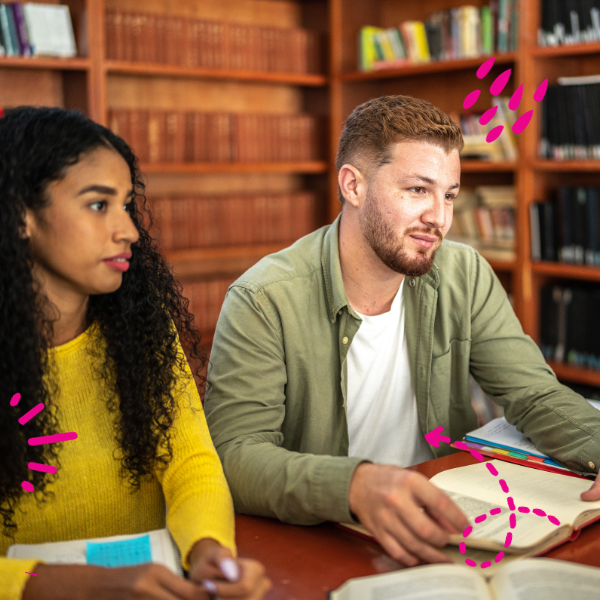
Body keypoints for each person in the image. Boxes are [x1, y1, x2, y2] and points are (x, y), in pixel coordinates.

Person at [204, 95, 600, 568]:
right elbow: (235, 456)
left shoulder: (463, 272)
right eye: (417, 190)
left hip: (445, 525)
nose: (440, 218)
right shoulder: (263, 299)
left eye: (449, 194)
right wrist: (356, 484)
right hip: (325, 535)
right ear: (353, 185)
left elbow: (533, 394)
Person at [0, 106, 270, 600]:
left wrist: (210, 550)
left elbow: (190, 461)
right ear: (22, 215)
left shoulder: (142, 332)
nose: (128, 229)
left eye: (127, 204)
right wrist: (67, 586)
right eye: (99, 205)